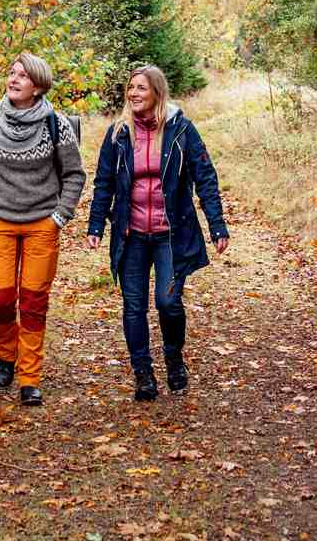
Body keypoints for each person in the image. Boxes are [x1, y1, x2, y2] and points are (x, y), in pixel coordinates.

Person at [87, 64, 229, 401]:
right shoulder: (118, 133)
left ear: (157, 93)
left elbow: (205, 177)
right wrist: (96, 224)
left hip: (170, 235)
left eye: (141, 88)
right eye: (130, 88)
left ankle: (173, 356)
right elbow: (104, 182)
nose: (133, 93)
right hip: (131, 235)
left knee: (168, 302)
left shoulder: (181, 130)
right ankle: (143, 374)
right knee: (133, 306)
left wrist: (216, 223)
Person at [0, 52, 85, 407]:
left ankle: (30, 378)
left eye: (22, 76)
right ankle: (6, 356)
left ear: (38, 85)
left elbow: (74, 174)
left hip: (42, 225)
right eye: (11, 73)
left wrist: (60, 216)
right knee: (1, 300)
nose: (13, 80)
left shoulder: (56, 126)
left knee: (33, 304)